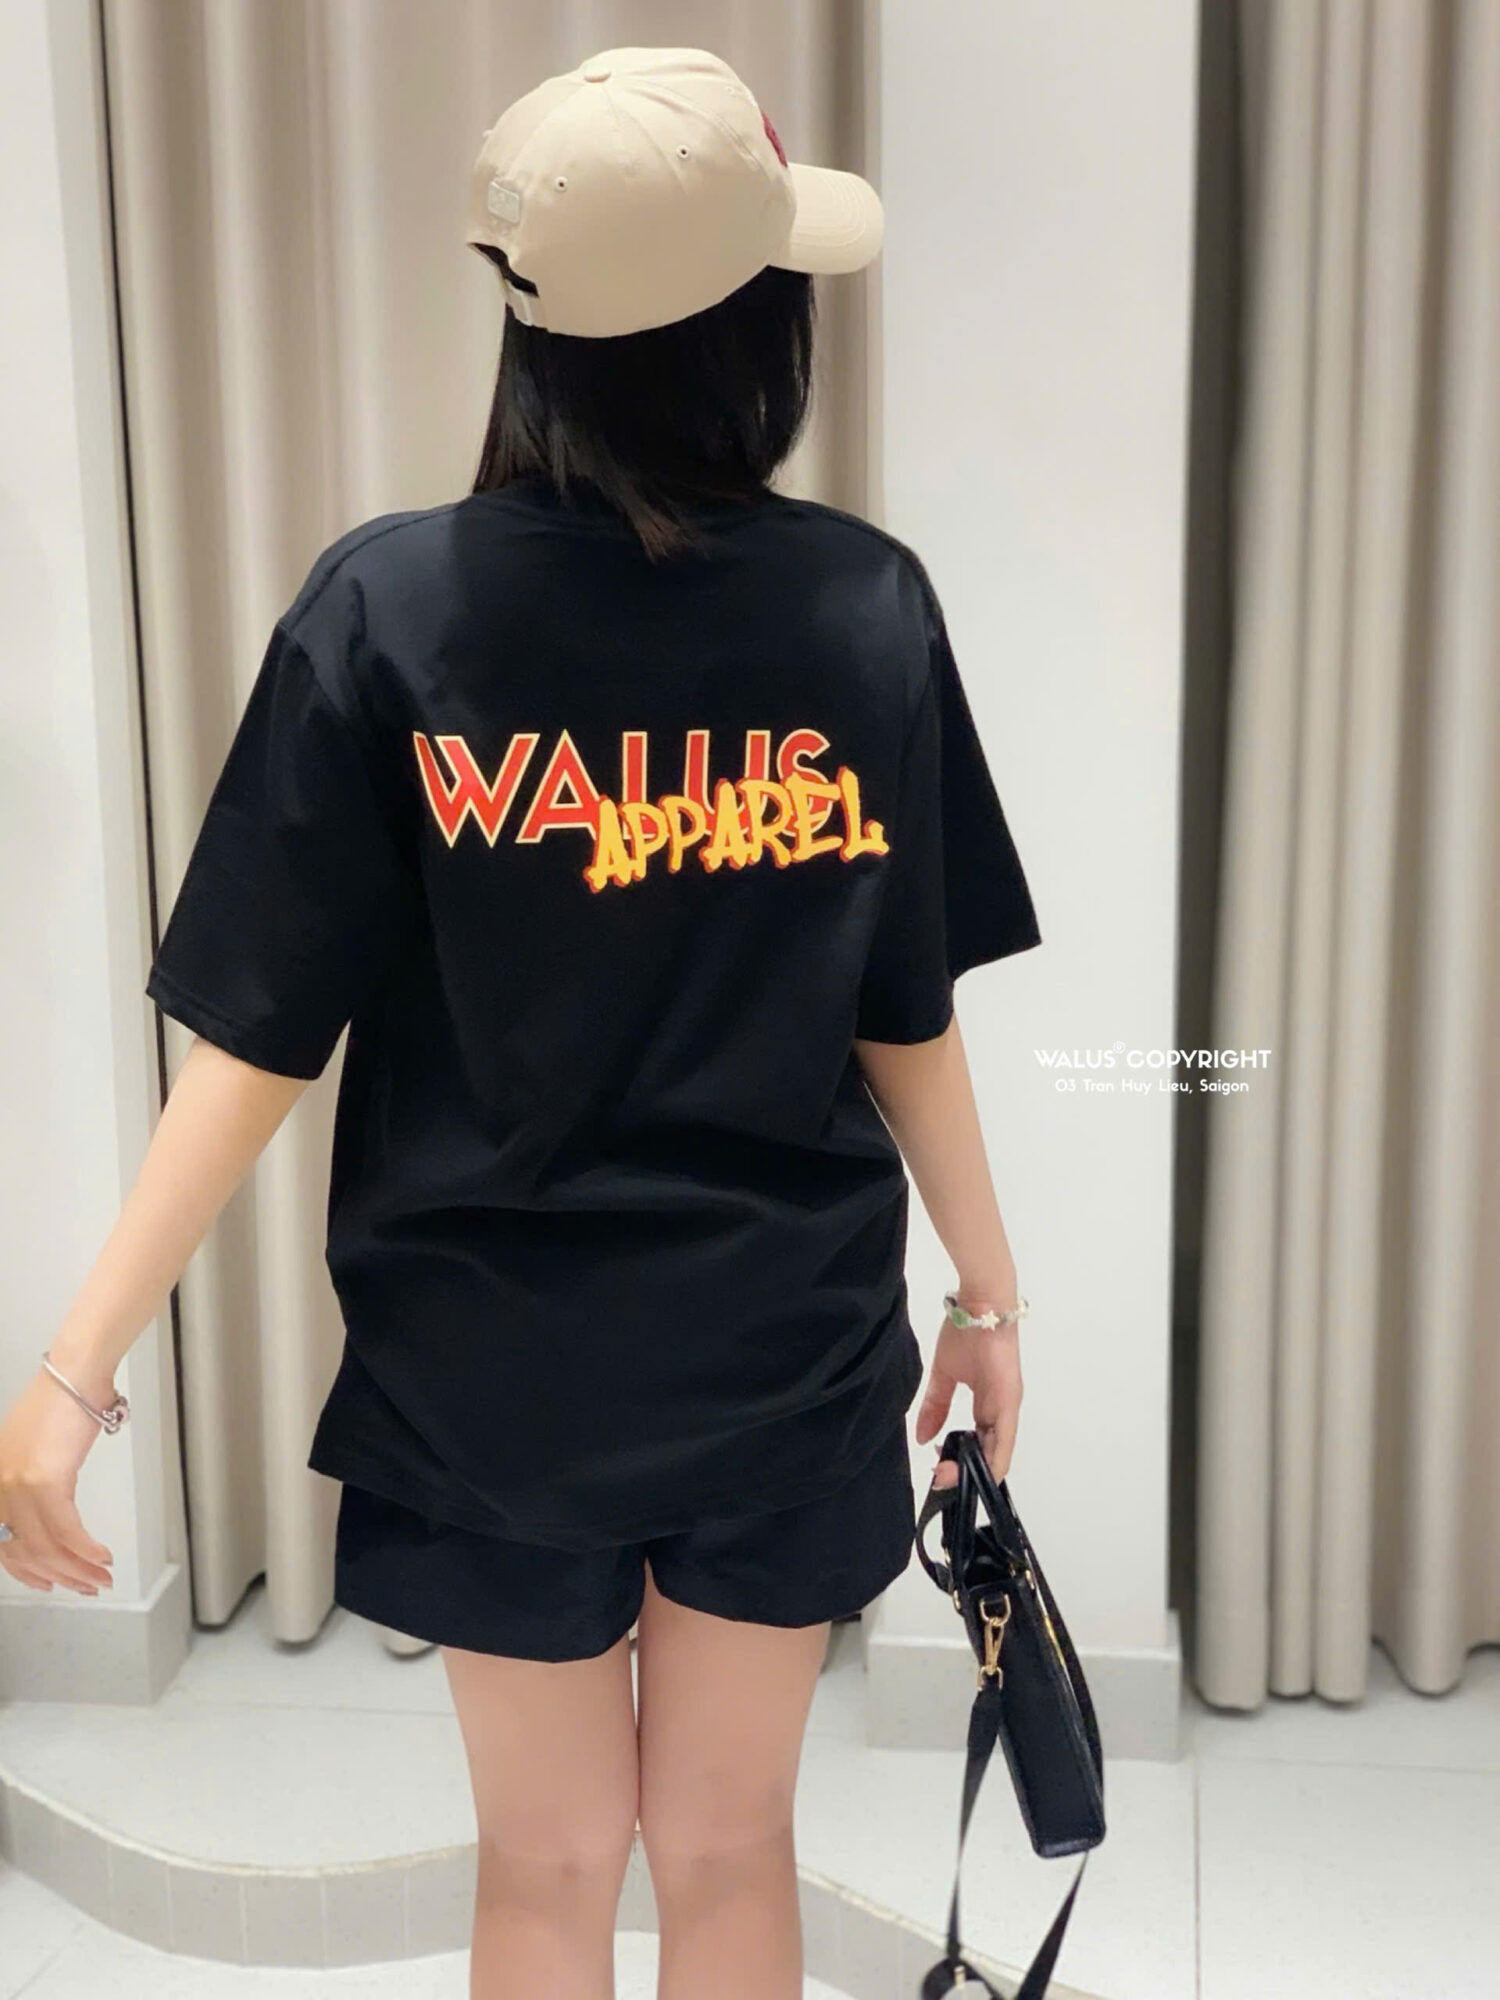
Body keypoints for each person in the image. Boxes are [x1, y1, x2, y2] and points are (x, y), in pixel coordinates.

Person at [0, 45, 1040, 2000]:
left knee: (546, 1867)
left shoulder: (389, 613)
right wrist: (990, 1296)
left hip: (487, 1367)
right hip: (778, 1340)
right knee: (728, 1851)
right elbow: (908, 1010)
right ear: (757, 334)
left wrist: (75, 1368)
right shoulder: (863, 611)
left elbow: (257, 1037)